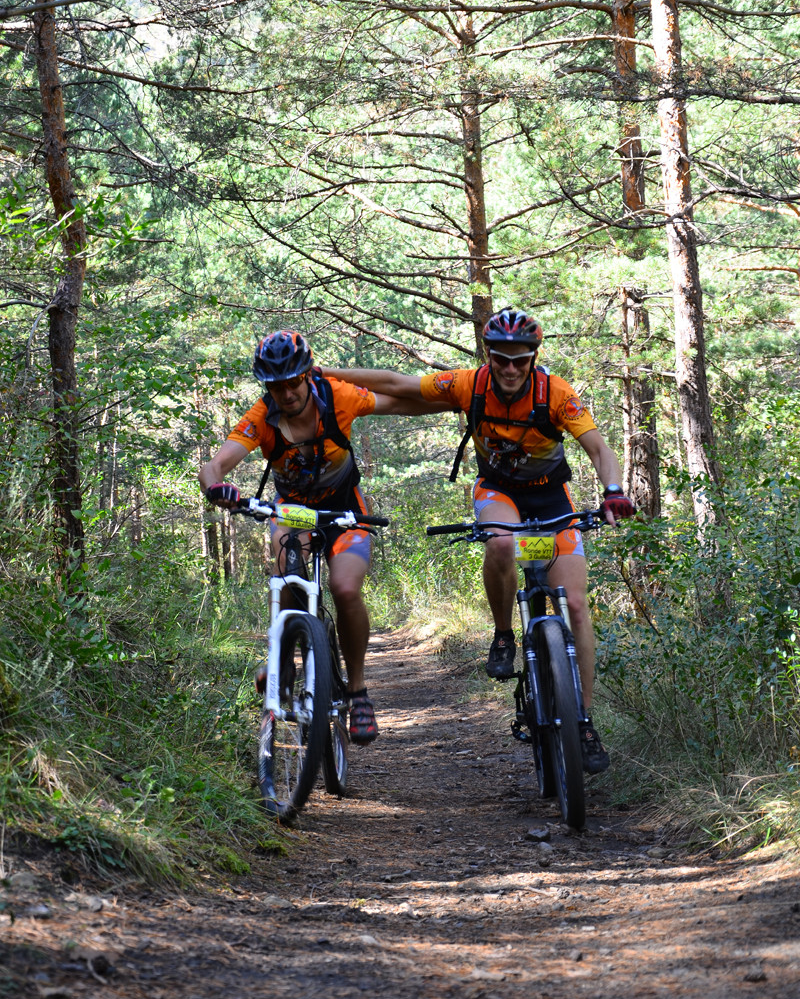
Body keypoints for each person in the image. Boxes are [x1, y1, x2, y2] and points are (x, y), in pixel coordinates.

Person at [323, 309, 634, 773]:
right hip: (499, 492)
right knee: (502, 543)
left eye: (520, 360)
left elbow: (598, 448)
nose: (510, 368)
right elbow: (399, 382)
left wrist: (613, 493)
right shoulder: (469, 384)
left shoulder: (557, 394)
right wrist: (323, 374)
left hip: (552, 499)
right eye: (501, 358)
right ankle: (505, 635)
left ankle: (584, 720)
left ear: (533, 358)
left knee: (576, 606)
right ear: (489, 355)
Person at [199, 330, 441, 746]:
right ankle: (284, 665)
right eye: (276, 386)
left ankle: (359, 691)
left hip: (346, 507)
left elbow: (399, 402)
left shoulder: (338, 397)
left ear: (307, 375)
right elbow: (216, 464)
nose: (287, 393)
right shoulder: (262, 417)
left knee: (344, 588)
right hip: (292, 511)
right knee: (285, 579)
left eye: (293, 382)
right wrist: (218, 489)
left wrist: (448, 401)